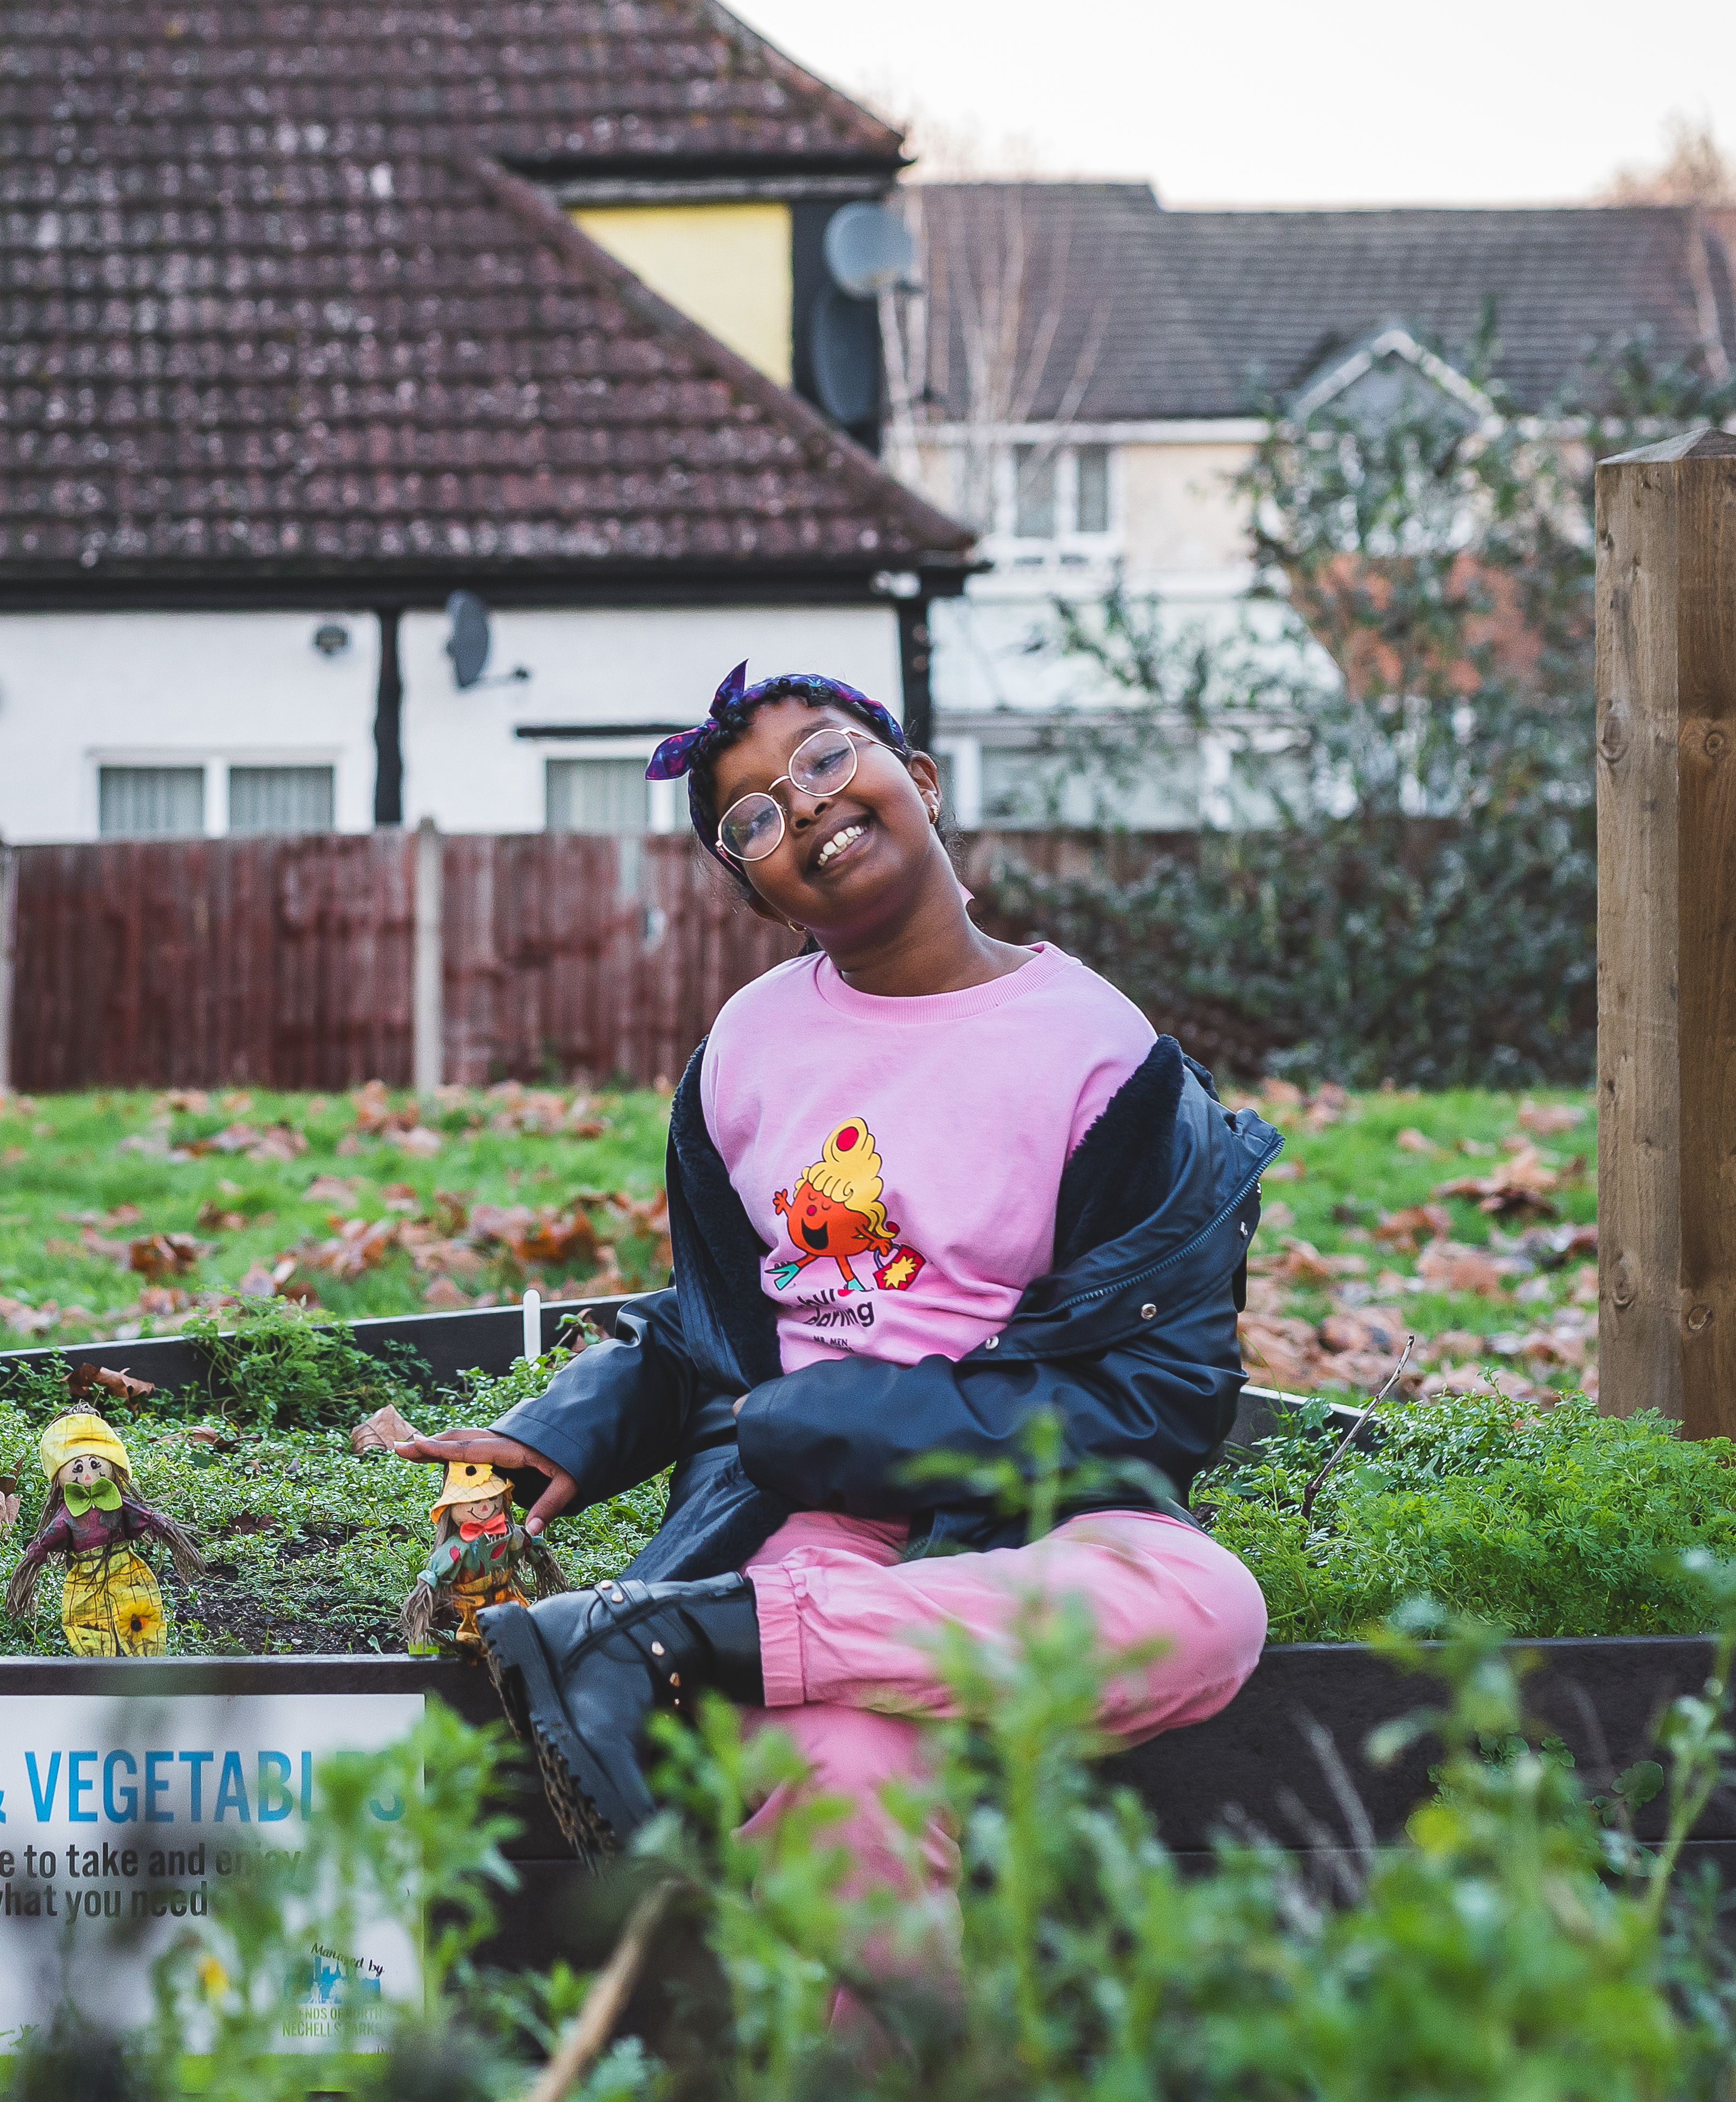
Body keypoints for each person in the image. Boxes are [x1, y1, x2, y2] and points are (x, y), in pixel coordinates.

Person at [404, 664, 1277, 1898]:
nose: (798, 806)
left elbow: (1166, 1390)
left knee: (1209, 1607)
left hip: (1027, 1508)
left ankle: (670, 1640)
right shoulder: (746, 1053)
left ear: (917, 778)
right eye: (751, 817)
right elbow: (714, 1324)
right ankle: (870, 2092)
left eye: (822, 759)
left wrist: (887, 1423)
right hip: (800, 1514)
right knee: (852, 1763)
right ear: (755, 889)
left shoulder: (1104, 1053)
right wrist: (562, 1430)